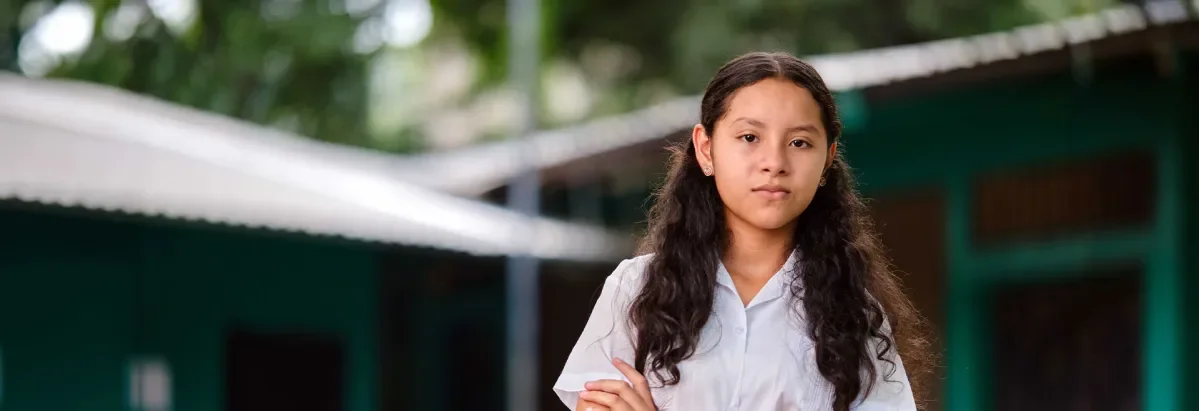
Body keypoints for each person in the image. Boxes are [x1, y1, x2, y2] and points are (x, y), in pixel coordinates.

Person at [552, 51, 932, 411]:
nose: (774, 163)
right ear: (706, 148)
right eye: (749, 137)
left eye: (799, 142)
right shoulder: (634, 290)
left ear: (828, 161)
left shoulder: (856, 314)